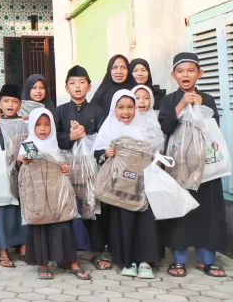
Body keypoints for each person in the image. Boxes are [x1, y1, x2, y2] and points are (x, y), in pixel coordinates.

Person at [158, 52, 227, 278]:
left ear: (199, 73)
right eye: (180, 71)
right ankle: (178, 260)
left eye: (190, 70)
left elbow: (213, 129)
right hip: (179, 165)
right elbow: (166, 128)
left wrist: (201, 109)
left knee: (207, 211)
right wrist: (180, 106)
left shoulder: (207, 99)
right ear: (173, 75)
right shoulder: (169, 100)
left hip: (205, 166)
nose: (185, 75)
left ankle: (206, 260)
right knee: (180, 209)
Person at [93, 90, 159, 278]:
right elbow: (96, 152)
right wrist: (106, 153)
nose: (126, 111)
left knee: (144, 222)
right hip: (119, 189)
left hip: (142, 186)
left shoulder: (144, 128)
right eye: (121, 107)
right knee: (122, 221)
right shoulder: (109, 128)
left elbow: (155, 151)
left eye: (130, 107)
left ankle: (145, 262)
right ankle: (127, 261)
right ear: (114, 109)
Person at [19, 108, 90, 281]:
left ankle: (71, 262)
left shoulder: (54, 143)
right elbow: (22, 158)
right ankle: (43, 265)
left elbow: (60, 163)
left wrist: (65, 168)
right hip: (38, 194)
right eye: (38, 125)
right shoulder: (30, 144)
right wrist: (24, 159)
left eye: (47, 124)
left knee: (62, 224)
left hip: (56, 192)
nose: (43, 129)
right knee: (40, 226)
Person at [53, 65, 110, 270]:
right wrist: (71, 137)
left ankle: (96, 251)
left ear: (89, 86)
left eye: (82, 82)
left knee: (93, 206)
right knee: (68, 206)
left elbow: (105, 138)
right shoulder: (59, 111)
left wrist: (86, 136)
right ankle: (67, 252)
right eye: (72, 83)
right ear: (66, 88)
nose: (77, 86)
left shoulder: (97, 111)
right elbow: (51, 137)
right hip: (66, 167)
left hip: (91, 168)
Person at [0, 83, 27, 268]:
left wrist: (24, 159)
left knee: (21, 209)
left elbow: (32, 143)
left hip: (22, 171)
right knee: (3, 210)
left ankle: (23, 246)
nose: (10, 105)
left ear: (20, 104)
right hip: (1, 174)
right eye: (6, 101)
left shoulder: (24, 123)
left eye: (14, 101)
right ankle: (3, 250)